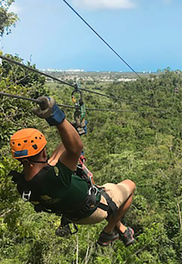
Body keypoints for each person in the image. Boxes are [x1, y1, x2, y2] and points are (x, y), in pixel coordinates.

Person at [9, 96, 136, 246]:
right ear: (43, 152)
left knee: (108, 189)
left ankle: (121, 229)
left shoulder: (25, 183)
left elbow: (56, 158)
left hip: (71, 213)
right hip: (95, 209)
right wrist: (56, 116)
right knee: (129, 185)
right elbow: (75, 149)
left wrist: (73, 131)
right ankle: (108, 232)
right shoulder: (54, 179)